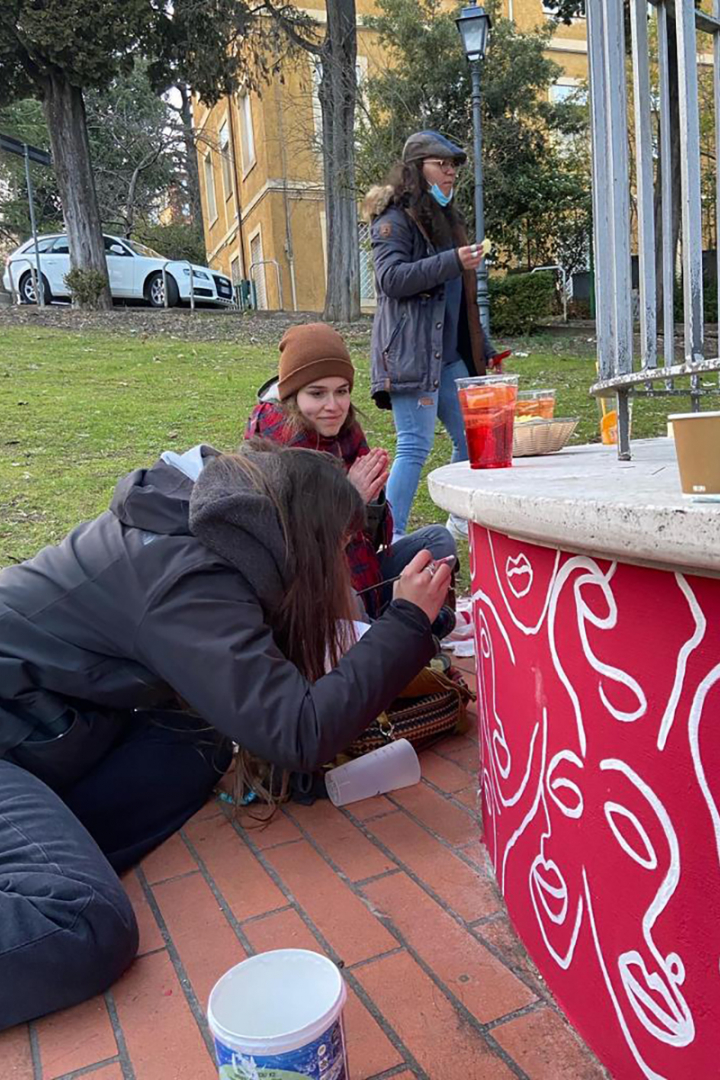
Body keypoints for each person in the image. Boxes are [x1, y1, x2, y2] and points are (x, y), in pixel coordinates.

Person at [0, 440, 451, 1030]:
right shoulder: (187, 581)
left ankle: (42, 848)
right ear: (303, 536)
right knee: (84, 923)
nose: (339, 566)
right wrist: (408, 621)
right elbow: (298, 733)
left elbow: (265, 708)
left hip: (43, 728)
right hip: (17, 739)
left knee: (202, 738)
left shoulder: (210, 530)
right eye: (338, 549)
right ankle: (41, 867)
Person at [245, 321, 457, 617]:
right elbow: (297, 559)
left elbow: (374, 537)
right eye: (317, 394)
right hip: (318, 600)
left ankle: (396, 620)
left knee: (437, 540)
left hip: (362, 575)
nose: (333, 405)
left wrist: (374, 503)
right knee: (355, 601)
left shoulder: (347, 433)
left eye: (341, 391)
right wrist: (350, 498)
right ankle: (390, 631)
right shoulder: (274, 449)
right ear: (293, 396)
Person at [363, 129, 498, 540]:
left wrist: (484, 349)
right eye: (442, 164)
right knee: (414, 446)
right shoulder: (393, 222)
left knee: (475, 441)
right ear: (416, 170)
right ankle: (390, 536)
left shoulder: (446, 222)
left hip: (451, 358)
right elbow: (389, 280)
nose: (451, 173)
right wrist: (450, 260)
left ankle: (457, 520)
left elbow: (459, 302)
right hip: (410, 356)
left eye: (454, 166)